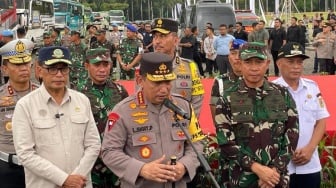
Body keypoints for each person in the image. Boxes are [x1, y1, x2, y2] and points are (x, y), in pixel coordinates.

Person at [101, 52, 204, 188]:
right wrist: (141, 169)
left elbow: (196, 143)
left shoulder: (183, 107)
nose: (164, 89)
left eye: (168, 81)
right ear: (140, 80)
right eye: (156, 82)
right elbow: (109, 151)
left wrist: (185, 165)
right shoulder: (122, 111)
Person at [12, 46, 101, 188]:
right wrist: (63, 179)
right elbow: (25, 154)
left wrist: (78, 176)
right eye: (52, 69)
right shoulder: (25, 105)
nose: (59, 75)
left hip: (80, 183)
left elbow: (94, 144)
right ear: (39, 71)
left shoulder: (82, 100)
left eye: (64, 69)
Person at [215, 42, 299, 188]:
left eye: (259, 62)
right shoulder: (227, 98)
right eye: (248, 62)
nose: (254, 68)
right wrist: (257, 169)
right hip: (241, 179)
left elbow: (292, 134)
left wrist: (274, 170)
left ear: (267, 64)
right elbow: (226, 142)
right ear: (240, 64)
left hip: (275, 180)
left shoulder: (282, 94)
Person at [273, 42, 330, 188]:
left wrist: (310, 148)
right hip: (279, 168)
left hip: (309, 164)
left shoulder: (312, 87)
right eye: (291, 61)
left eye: (299, 62)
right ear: (279, 63)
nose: (296, 66)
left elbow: (321, 121)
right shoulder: (270, 91)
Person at [76, 48, 129, 188]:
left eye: (105, 65)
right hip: (90, 163)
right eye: (97, 65)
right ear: (87, 66)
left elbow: (129, 122)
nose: (102, 69)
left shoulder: (120, 91)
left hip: (116, 161)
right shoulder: (77, 93)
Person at [0, 39, 37, 188]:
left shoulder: (43, 94)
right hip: (7, 169)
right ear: (5, 69)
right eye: (17, 64)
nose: (24, 68)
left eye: (26, 63)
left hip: (40, 166)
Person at [151, 18, 204, 116]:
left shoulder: (190, 67)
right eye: (155, 37)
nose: (157, 41)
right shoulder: (145, 68)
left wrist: (186, 125)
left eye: (162, 36)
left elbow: (197, 101)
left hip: (181, 128)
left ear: (176, 41)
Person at [209, 39, 245, 120]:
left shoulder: (257, 80)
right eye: (233, 53)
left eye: (241, 54)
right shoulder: (220, 81)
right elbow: (214, 109)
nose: (237, 58)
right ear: (229, 57)